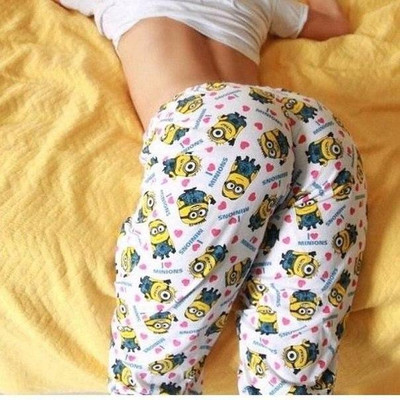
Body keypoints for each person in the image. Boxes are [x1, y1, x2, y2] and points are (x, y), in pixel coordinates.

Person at [52, 0, 368, 395]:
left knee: (156, 363)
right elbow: (334, 23)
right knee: (293, 367)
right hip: (314, 127)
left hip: (222, 123)